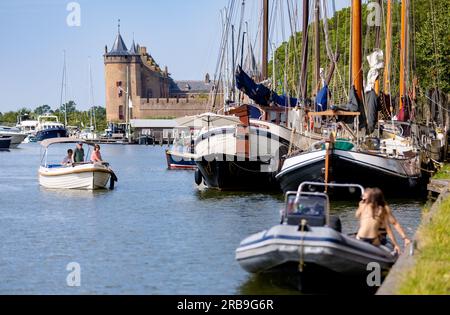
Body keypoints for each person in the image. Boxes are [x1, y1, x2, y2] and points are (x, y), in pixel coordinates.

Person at [356, 188, 401, 254]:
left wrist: (360, 206)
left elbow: (357, 216)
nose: (363, 199)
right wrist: (396, 245)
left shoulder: (363, 206)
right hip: (374, 238)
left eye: (364, 197)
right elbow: (389, 229)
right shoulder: (382, 209)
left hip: (361, 237)